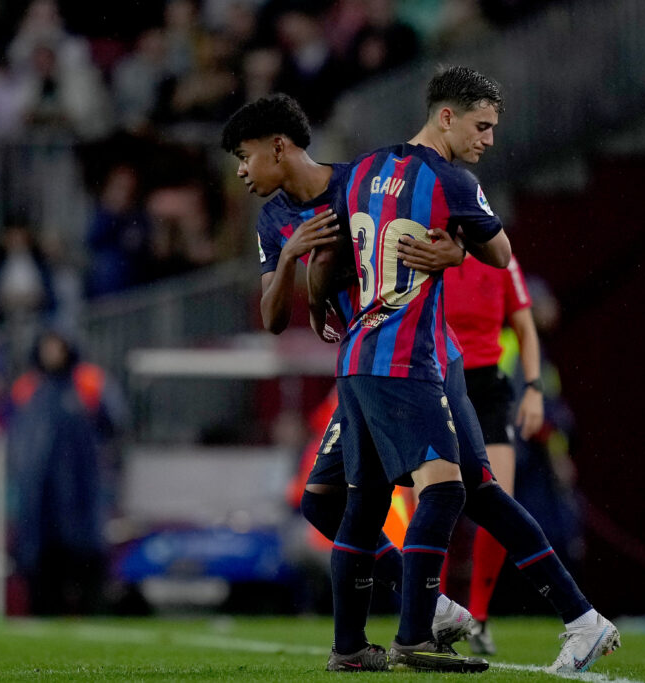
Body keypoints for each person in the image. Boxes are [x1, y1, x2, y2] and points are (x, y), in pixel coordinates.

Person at [308, 65, 619, 674]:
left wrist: (325, 307)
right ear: (446, 116)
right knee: (445, 491)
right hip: (407, 357)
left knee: (422, 495)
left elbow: (330, 255)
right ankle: (419, 631)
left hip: (375, 354)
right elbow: (501, 254)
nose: (489, 139)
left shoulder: (363, 170)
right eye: (482, 125)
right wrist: (459, 249)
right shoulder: (450, 179)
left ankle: (579, 620)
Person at [218, 93, 474, 652]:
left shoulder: (360, 181)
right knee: (326, 501)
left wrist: (457, 253)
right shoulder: (275, 221)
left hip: (408, 356)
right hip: (362, 364)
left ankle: (567, 614)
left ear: (278, 146)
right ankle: (400, 621)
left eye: (244, 155)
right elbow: (273, 318)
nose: (240, 169)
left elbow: (442, 224)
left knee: (458, 488)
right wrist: (291, 260)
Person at [404, 249, 543, 654]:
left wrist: (533, 389)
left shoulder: (501, 258)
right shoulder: (421, 250)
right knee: (433, 505)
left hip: (485, 388)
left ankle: (478, 617)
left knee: (499, 501)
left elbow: (525, 326)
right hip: (434, 380)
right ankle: (432, 613)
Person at [8, 327, 124, 615]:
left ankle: (92, 612)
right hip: (39, 492)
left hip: (83, 487)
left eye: (57, 346)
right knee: (41, 558)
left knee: (86, 554)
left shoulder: (90, 382)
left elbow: (115, 425)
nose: (52, 353)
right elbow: (13, 435)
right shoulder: (27, 387)